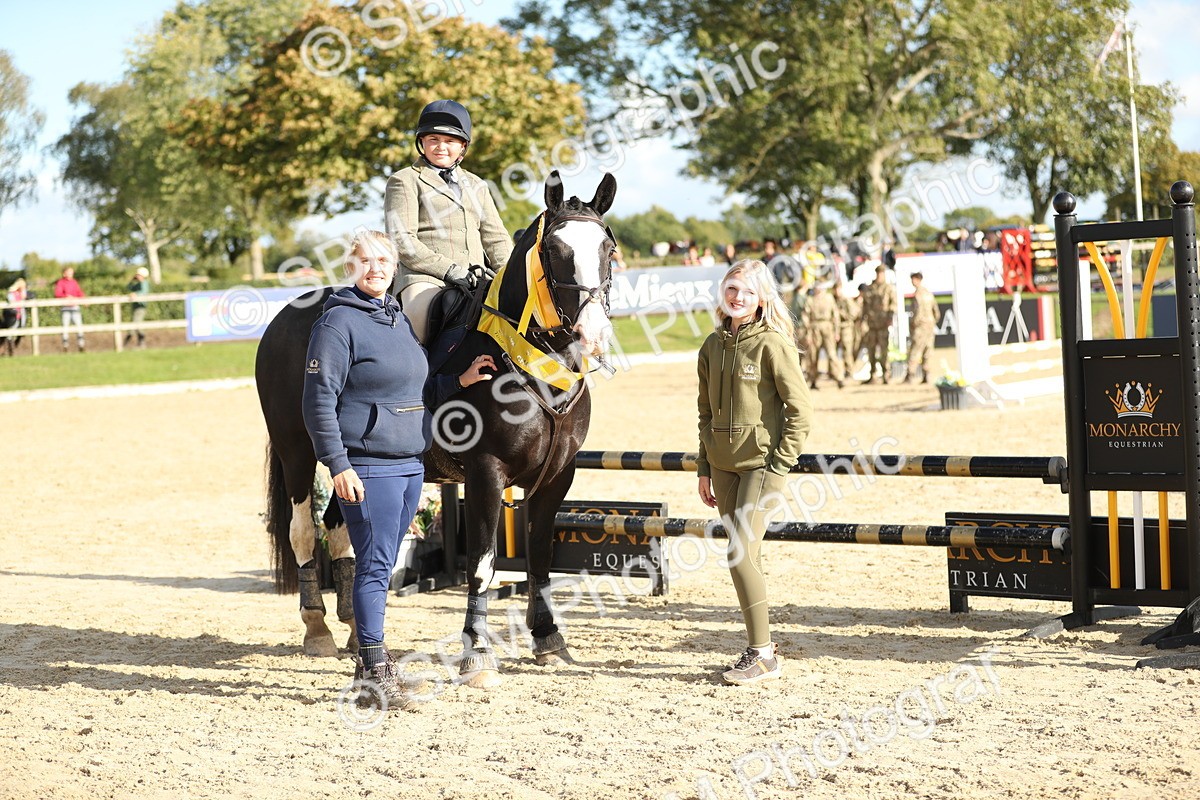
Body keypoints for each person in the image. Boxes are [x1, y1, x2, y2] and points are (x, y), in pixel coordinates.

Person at [302, 230, 495, 710]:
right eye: (365, 260)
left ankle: (372, 668)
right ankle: (373, 677)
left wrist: (459, 380)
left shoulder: (396, 318)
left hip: (410, 463)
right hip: (368, 464)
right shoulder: (336, 324)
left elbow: (417, 384)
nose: (376, 268)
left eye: (384, 260)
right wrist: (338, 465)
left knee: (382, 565)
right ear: (349, 267)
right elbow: (318, 401)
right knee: (372, 567)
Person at [696, 259, 813, 686]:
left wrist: (780, 461)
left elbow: (800, 410)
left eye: (746, 291)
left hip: (762, 465)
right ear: (722, 293)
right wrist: (704, 467)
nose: (738, 297)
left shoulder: (773, 344)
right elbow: (704, 412)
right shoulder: (710, 346)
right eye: (732, 288)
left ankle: (762, 654)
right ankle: (761, 647)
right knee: (747, 554)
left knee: (739, 553)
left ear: (761, 298)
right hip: (722, 468)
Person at [384, 99, 513, 343]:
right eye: (433, 139)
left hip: (479, 278)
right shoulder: (405, 180)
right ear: (422, 142)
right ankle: (415, 376)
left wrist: (510, 275)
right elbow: (403, 241)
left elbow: (496, 238)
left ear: (463, 146)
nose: (441, 147)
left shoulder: (477, 185)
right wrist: (450, 270)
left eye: (450, 141)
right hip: (425, 279)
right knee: (417, 323)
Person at [802, 282, 843, 389]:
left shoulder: (829, 298)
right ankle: (813, 379)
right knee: (813, 356)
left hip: (828, 328)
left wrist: (837, 332)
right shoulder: (810, 300)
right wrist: (808, 334)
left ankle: (838, 377)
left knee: (832, 354)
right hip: (814, 328)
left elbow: (836, 316)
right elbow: (806, 317)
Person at [860, 265, 896, 384]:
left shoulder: (889, 288)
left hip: (883, 325)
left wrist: (890, 317)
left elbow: (893, 305)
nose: (880, 275)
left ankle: (886, 374)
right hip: (872, 325)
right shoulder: (870, 288)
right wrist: (863, 320)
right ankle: (873, 374)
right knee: (871, 351)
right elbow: (865, 306)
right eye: (878, 273)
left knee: (884, 351)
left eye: (882, 273)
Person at [904, 272, 941, 383]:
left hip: (920, 327)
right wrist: (931, 322)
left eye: (913, 279)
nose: (912, 282)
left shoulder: (918, 295)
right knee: (927, 351)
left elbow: (917, 313)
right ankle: (926, 375)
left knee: (915, 350)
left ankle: (910, 375)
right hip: (929, 327)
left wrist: (914, 324)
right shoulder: (929, 294)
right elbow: (936, 313)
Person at [53, 267, 86, 352]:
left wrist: (84, 300)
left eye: (72, 272)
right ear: (64, 273)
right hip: (65, 308)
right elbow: (57, 294)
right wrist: (66, 297)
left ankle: (81, 345)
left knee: (79, 326)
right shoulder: (61, 282)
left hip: (75, 307)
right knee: (65, 327)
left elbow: (79, 292)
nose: (71, 274)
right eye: (69, 272)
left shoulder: (74, 282)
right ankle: (65, 346)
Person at [835, 284, 861, 375]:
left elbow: (853, 314)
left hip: (846, 328)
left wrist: (841, 313)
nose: (837, 292)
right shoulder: (834, 300)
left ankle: (849, 370)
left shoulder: (847, 300)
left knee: (847, 350)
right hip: (836, 329)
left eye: (838, 289)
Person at [124, 267, 150, 349]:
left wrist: (135, 294)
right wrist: (132, 280)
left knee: (136, 324)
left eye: (138, 275)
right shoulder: (138, 284)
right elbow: (128, 287)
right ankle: (126, 343)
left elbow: (144, 292)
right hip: (135, 306)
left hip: (141, 307)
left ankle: (130, 343)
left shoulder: (144, 283)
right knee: (135, 324)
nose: (137, 276)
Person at [3, 277, 27, 357]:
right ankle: (10, 349)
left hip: (21, 314)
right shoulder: (11, 293)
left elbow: (24, 300)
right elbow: (12, 303)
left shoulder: (22, 293)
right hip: (13, 315)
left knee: (21, 330)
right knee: (11, 331)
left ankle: (14, 346)